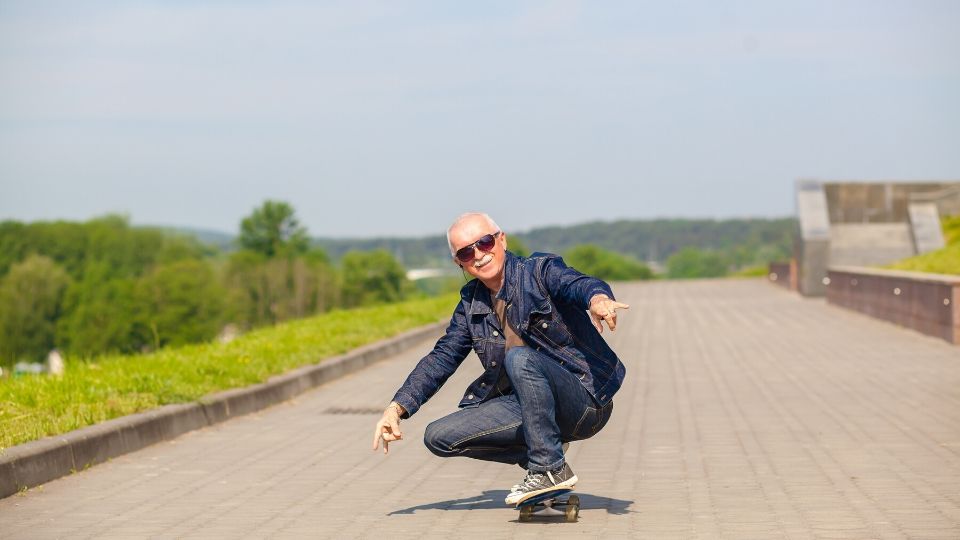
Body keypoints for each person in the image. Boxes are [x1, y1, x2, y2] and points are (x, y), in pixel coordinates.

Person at [371, 212, 628, 505]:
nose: (479, 255)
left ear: (501, 239)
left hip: (584, 402)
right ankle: (548, 456)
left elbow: (574, 282)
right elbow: (442, 358)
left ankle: (548, 467)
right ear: (459, 263)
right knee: (438, 436)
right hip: (529, 405)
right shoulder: (471, 304)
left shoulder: (538, 271)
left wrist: (597, 298)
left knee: (519, 358)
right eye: (467, 252)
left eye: (484, 242)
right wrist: (396, 408)